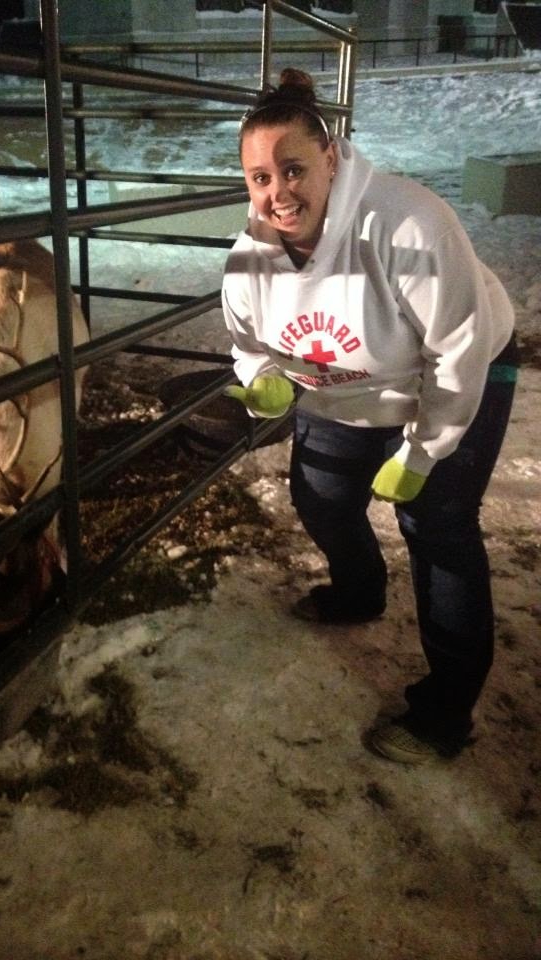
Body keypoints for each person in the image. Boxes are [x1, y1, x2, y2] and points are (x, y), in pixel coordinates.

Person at [223, 68, 519, 765]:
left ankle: (446, 714)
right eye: (260, 178)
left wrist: (423, 451)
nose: (277, 192)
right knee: (321, 496)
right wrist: (263, 379)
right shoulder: (248, 262)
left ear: (330, 157)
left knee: (438, 528)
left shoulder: (408, 222)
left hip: (454, 374)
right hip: (344, 389)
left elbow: (456, 348)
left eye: (293, 169)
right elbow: (247, 344)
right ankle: (359, 593)